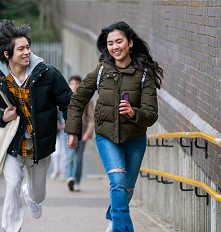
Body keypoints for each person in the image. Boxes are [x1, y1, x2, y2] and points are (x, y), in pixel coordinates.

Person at [0, 19, 72, 232]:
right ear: (8, 54)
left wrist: (72, 130)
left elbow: (68, 101)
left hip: (40, 145)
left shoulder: (47, 73)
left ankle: (31, 196)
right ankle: (11, 229)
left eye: (28, 47)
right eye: (21, 49)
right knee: (12, 185)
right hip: (13, 144)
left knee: (39, 193)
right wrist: (1, 118)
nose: (27, 52)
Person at [64, 21, 163, 232]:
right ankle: (121, 229)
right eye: (110, 43)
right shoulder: (101, 71)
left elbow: (152, 114)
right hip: (106, 136)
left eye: (119, 41)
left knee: (126, 189)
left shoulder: (144, 74)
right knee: (118, 181)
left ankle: (113, 215)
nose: (114, 47)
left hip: (135, 138)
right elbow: (77, 99)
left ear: (130, 43)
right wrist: (73, 131)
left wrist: (134, 112)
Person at [64, 75, 94, 192]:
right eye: (72, 84)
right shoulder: (65, 98)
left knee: (78, 159)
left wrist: (88, 133)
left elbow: (92, 118)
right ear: (69, 85)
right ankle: (70, 178)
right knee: (70, 157)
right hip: (67, 132)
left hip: (82, 133)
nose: (74, 86)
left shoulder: (87, 99)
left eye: (77, 84)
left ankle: (76, 182)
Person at [50, 111, 66, 180]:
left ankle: (62, 172)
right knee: (55, 152)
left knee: (64, 153)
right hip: (55, 132)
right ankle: (56, 170)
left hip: (64, 132)